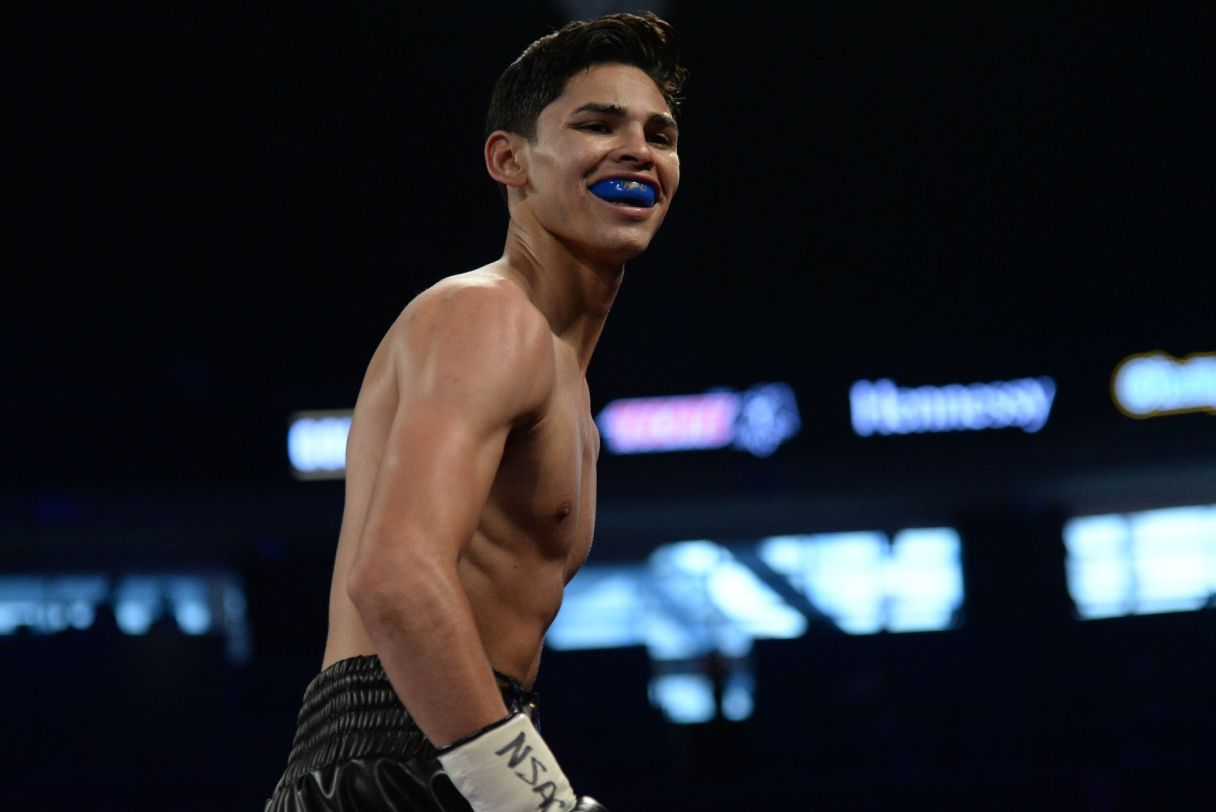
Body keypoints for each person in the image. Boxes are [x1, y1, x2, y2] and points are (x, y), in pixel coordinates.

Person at [266, 11, 686, 812]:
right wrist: (527, 797)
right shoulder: (487, 316)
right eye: (599, 124)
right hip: (394, 761)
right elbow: (394, 577)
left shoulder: (565, 382)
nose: (638, 148)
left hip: (458, 743)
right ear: (510, 160)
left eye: (659, 135)